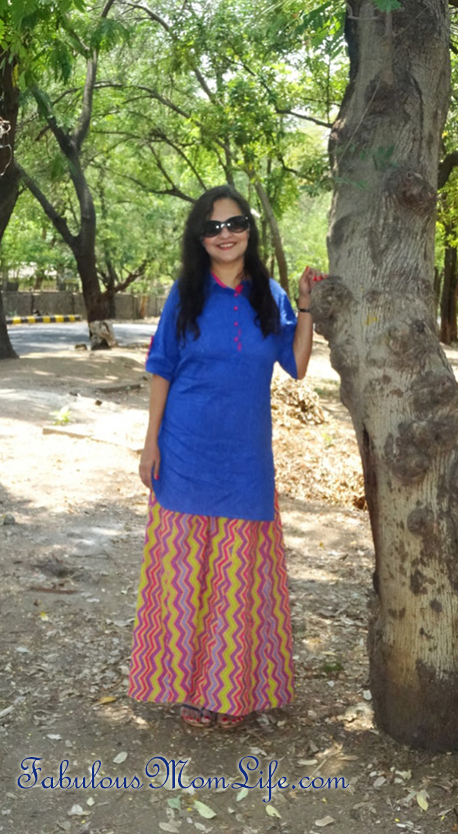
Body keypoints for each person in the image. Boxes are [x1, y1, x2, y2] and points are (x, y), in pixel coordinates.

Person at [128, 184, 321, 729]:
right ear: (200, 238)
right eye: (213, 228)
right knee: (186, 576)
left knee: (238, 579)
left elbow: (297, 364)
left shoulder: (269, 294)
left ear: (249, 229)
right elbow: (162, 366)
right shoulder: (184, 293)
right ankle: (190, 689)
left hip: (246, 460)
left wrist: (304, 307)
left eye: (235, 223)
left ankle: (230, 690)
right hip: (186, 449)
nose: (225, 235)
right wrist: (151, 441)